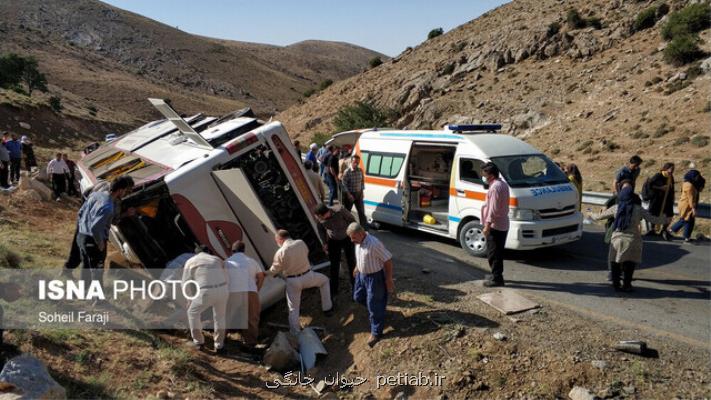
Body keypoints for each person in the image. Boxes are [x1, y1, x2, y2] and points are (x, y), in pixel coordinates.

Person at [592, 184, 670, 291]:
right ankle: (627, 285)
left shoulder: (616, 208)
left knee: (614, 263)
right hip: (634, 241)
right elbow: (654, 219)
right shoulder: (639, 209)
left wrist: (590, 213)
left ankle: (616, 284)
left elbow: (598, 217)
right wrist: (665, 219)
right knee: (629, 265)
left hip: (617, 240)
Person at [267, 230, 332, 334]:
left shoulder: (280, 252)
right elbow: (306, 253)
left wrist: (265, 273)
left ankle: (295, 332)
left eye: (277, 241)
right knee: (324, 281)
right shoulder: (300, 243)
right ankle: (327, 309)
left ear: (280, 240)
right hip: (308, 275)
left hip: (293, 281)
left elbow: (274, 269)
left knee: (293, 308)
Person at [76, 176, 134, 286]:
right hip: (94, 240)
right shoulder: (108, 207)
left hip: (81, 235)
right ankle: (98, 300)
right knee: (98, 270)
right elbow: (96, 228)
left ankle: (83, 291)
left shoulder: (94, 195)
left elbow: (80, 212)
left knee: (86, 265)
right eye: (126, 191)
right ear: (120, 190)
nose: (126, 194)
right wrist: (100, 243)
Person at [347, 222, 394, 347]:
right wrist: (357, 267)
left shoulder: (374, 244)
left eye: (353, 237)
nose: (352, 241)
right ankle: (379, 311)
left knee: (373, 304)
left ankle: (376, 332)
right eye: (350, 238)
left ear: (361, 233)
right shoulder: (358, 242)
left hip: (375, 278)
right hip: (361, 276)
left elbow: (388, 260)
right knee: (358, 297)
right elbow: (360, 255)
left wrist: (388, 279)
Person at [182, 247, 229, 352]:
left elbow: (185, 283)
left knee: (192, 313)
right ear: (208, 252)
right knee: (220, 317)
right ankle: (219, 345)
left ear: (195, 253)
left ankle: (199, 343)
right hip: (223, 289)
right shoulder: (216, 259)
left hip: (206, 291)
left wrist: (189, 299)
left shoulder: (190, 261)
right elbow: (226, 276)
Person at [224, 240, 264, 347]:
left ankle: (221, 340)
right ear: (244, 250)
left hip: (233, 292)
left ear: (232, 251)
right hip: (251, 291)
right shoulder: (252, 261)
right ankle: (250, 343)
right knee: (252, 318)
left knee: (227, 317)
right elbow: (261, 276)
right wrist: (256, 289)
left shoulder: (227, 262)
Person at [314, 203, 357, 301]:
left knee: (351, 263)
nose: (319, 219)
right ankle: (334, 291)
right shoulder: (319, 218)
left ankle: (355, 287)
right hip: (333, 240)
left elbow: (353, 221)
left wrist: (354, 236)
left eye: (320, 217)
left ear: (325, 213)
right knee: (334, 265)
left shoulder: (340, 210)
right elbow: (320, 229)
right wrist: (324, 243)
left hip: (347, 238)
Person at [481, 162, 510, 287]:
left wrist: (487, 225)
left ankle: (497, 278)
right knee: (496, 251)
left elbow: (493, 209)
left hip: (495, 225)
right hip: (501, 223)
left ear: (491, 175)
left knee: (494, 253)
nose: (483, 177)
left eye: (484, 174)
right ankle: (495, 274)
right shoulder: (501, 184)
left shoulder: (495, 187)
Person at [669, 169, 705, 243]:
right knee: (686, 220)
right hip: (686, 205)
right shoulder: (689, 185)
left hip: (687, 205)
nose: (696, 178)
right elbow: (690, 198)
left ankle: (686, 237)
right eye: (695, 176)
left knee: (689, 220)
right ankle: (670, 231)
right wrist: (693, 208)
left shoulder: (690, 183)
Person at [646, 163, 675, 240]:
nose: (672, 171)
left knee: (669, 215)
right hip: (657, 199)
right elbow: (650, 185)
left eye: (673, 169)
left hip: (667, 200)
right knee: (654, 214)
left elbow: (672, 188)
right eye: (671, 169)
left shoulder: (671, 177)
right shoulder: (658, 176)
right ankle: (652, 229)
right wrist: (660, 188)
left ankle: (664, 230)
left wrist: (672, 197)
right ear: (666, 168)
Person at [341, 155, 368, 226]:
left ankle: (364, 228)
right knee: (347, 212)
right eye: (355, 162)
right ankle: (346, 227)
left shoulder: (360, 171)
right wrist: (349, 195)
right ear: (351, 161)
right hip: (350, 194)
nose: (356, 164)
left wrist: (362, 192)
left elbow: (362, 182)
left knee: (361, 212)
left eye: (358, 163)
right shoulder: (347, 172)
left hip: (359, 194)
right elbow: (344, 185)